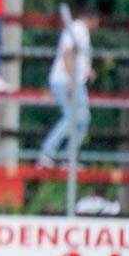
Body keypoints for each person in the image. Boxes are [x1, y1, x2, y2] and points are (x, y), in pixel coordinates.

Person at [38, 9, 98, 168]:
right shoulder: (77, 29)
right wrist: (72, 80)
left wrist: (86, 70)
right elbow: (67, 53)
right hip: (67, 80)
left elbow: (77, 56)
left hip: (74, 80)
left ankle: (68, 157)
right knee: (73, 117)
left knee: (83, 119)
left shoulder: (81, 31)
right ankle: (47, 152)